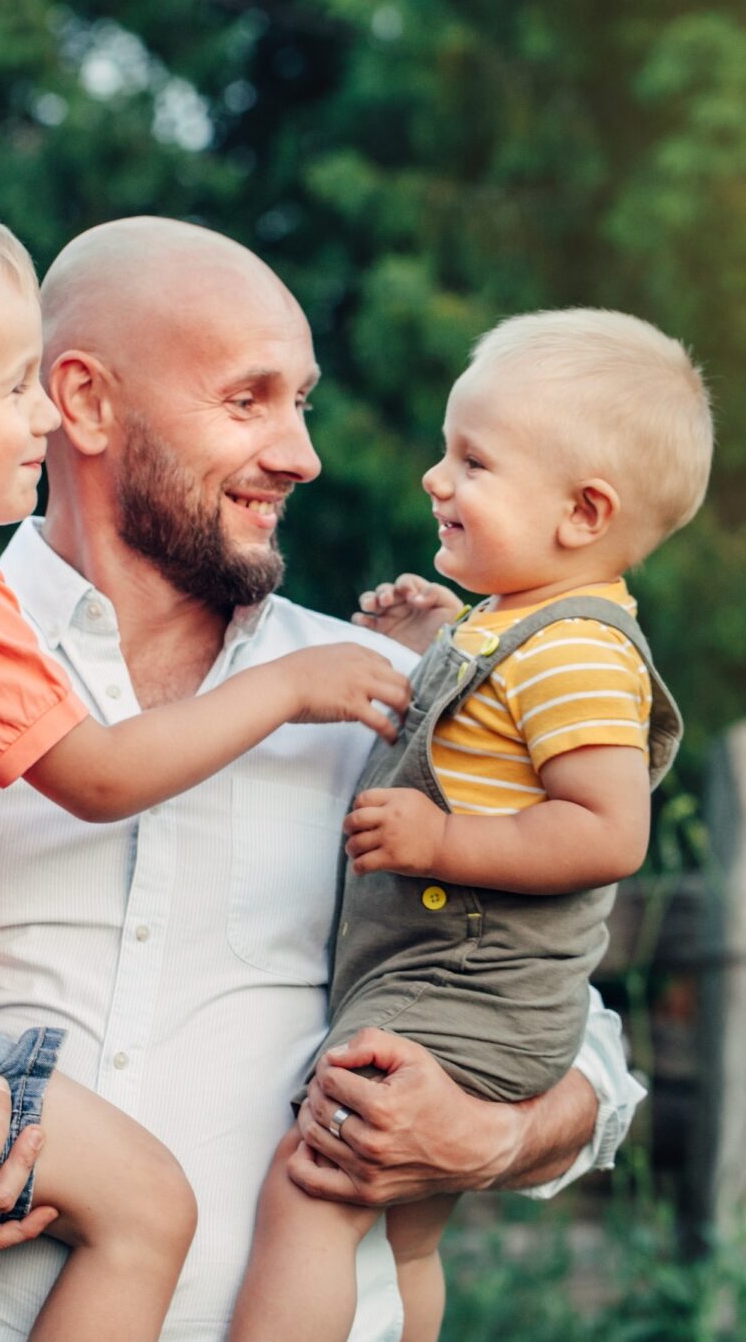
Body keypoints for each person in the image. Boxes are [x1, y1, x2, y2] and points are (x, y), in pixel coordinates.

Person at [0, 220, 646, 1342]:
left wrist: (491, 1134)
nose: (301, 454)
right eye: (248, 400)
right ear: (86, 403)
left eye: (300, 401)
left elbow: (558, 1010)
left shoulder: (383, 698)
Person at [230, 308, 711, 1342]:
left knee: (312, 1184)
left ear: (582, 512)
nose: (432, 479)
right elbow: (490, 730)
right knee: (398, 1236)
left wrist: (441, 844)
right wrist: (435, 640)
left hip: (468, 984)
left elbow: (604, 829)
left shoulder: (580, 650)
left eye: (471, 461)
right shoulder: (513, 624)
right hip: (440, 979)